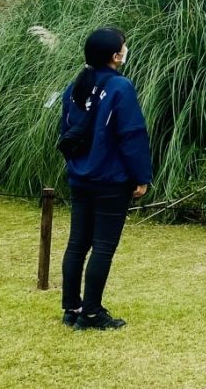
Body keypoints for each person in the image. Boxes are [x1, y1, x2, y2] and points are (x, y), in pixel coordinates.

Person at [58, 27, 153, 331]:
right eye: (123, 47)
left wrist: (76, 166)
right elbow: (131, 134)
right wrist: (141, 177)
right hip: (110, 178)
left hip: (80, 176)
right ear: (115, 55)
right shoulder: (120, 87)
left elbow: (66, 133)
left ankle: (72, 307)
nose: (126, 49)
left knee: (77, 244)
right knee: (103, 246)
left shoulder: (74, 86)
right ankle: (91, 312)